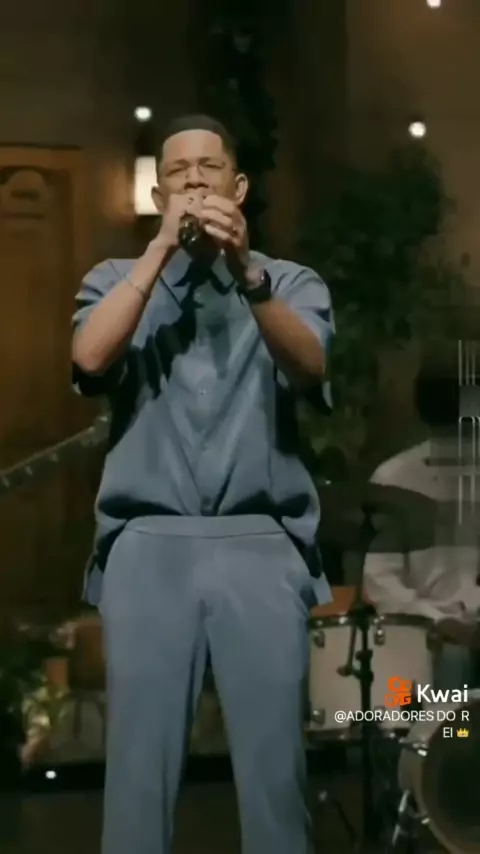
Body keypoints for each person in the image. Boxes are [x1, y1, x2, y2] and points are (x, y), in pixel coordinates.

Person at [71, 114, 334, 854]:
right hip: (148, 543)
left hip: (261, 541)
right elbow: (90, 359)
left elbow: (310, 366)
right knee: (138, 779)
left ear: (237, 187)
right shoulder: (114, 279)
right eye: (177, 172)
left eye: (208, 167)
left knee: (275, 781)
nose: (193, 180)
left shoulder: (289, 281)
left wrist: (248, 274)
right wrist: (159, 251)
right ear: (159, 194)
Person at [364, 369, 480, 691]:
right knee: (453, 661)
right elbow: (380, 582)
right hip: (423, 633)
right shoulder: (394, 479)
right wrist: (437, 621)